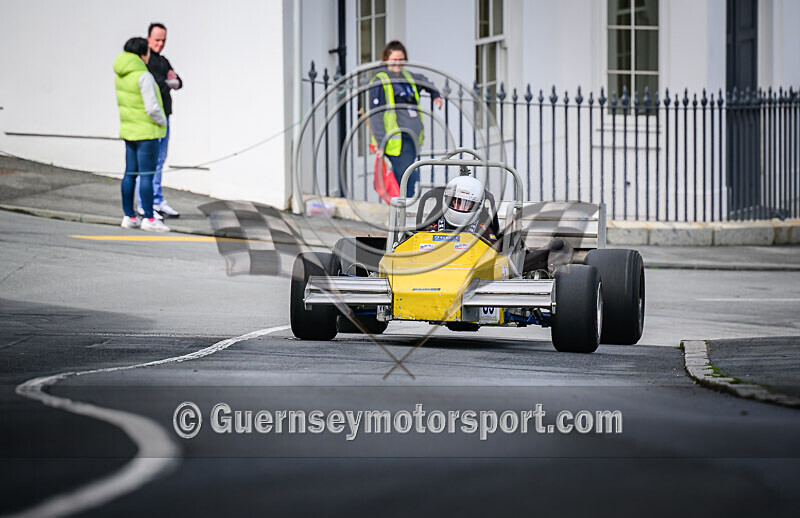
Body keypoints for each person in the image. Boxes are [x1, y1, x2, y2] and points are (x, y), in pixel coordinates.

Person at [369, 40, 442, 198]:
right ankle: (405, 210)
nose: (398, 63)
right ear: (386, 59)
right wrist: (380, 143)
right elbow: (375, 115)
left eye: (401, 59)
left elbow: (424, 79)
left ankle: (403, 210)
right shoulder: (380, 81)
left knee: (406, 175)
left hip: (411, 138)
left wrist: (435, 95)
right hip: (396, 141)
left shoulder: (408, 77)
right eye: (394, 60)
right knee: (406, 177)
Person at [114, 37, 170, 232]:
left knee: (130, 173)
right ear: (142, 54)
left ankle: (129, 215)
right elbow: (152, 108)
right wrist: (163, 121)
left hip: (129, 130)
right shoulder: (143, 76)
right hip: (147, 132)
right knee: (147, 175)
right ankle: (149, 218)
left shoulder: (121, 74)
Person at [135, 22, 183, 219]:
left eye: (164, 40)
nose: (160, 44)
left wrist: (170, 82)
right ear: (148, 39)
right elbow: (156, 86)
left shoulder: (163, 61)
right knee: (148, 162)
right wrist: (167, 82)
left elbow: (178, 81)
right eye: (157, 40)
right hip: (152, 118)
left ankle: (156, 199)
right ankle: (143, 202)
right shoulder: (145, 61)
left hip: (165, 116)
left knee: (160, 160)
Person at [424, 173, 499, 242]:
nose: (460, 207)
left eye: (466, 204)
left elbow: (494, 251)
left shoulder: (483, 231)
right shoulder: (433, 228)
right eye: (457, 202)